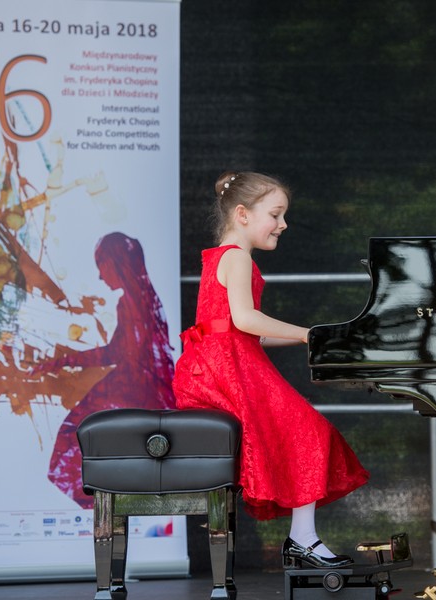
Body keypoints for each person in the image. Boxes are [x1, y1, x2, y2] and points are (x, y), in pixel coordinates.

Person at [172, 171, 369, 569]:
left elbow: (243, 332)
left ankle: (302, 538)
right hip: (226, 371)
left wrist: (309, 337)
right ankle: (302, 539)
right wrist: (306, 333)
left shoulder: (220, 256)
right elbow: (246, 320)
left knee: (304, 430)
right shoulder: (237, 257)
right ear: (242, 214)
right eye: (275, 214)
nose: (283, 224)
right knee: (310, 430)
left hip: (216, 366)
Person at [41, 232, 177, 507]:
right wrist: (65, 361)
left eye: (101, 266)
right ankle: (104, 502)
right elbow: (121, 351)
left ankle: (103, 504)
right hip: (144, 388)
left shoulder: (135, 301)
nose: (101, 276)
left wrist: (64, 361)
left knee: (74, 436)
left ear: (115, 262)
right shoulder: (142, 297)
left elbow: (121, 353)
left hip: (139, 390)